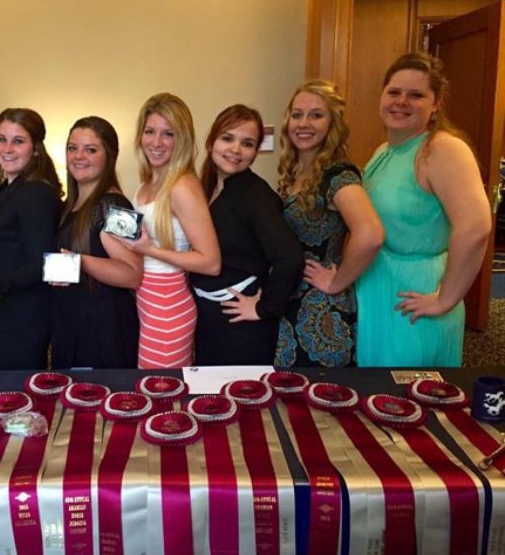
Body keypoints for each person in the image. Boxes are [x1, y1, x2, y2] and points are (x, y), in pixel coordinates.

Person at [356, 53, 490, 367]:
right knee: (374, 391)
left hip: (415, 297)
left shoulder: (443, 148)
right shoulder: (383, 151)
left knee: (410, 397)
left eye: (416, 95)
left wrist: (446, 298)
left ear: (436, 103)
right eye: (394, 92)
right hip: (377, 288)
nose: (401, 101)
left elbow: (476, 227)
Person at [274, 80, 384, 367]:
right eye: (297, 114)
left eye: (316, 115)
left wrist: (337, 281)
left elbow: (371, 235)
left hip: (322, 310)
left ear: (332, 123)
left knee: (322, 402)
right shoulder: (293, 173)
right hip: (290, 300)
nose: (304, 123)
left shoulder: (338, 175)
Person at [191, 105, 304, 365]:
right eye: (228, 138)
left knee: (242, 399)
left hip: (239, 323)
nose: (235, 150)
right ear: (212, 141)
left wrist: (264, 308)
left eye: (247, 143)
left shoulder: (256, 196)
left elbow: (290, 258)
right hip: (208, 317)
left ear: (254, 153)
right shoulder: (206, 187)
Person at [122, 93, 220, 369]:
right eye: (150, 131)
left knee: (161, 400)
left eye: (168, 134)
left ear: (182, 139)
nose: (156, 142)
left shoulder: (182, 186)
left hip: (168, 309)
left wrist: (150, 250)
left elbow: (211, 262)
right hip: (145, 303)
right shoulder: (147, 183)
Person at [50, 116, 142, 369]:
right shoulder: (68, 205)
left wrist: (78, 262)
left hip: (104, 330)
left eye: (90, 149)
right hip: (72, 324)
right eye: (72, 148)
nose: (79, 156)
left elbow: (132, 275)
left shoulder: (117, 206)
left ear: (109, 156)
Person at [0, 108, 62, 370]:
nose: (7, 148)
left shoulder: (35, 192)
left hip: (22, 320)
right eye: (1, 139)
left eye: (18, 141)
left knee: (16, 402)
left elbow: (42, 263)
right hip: (5, 315)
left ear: (35, 148)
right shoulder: (10, 187)